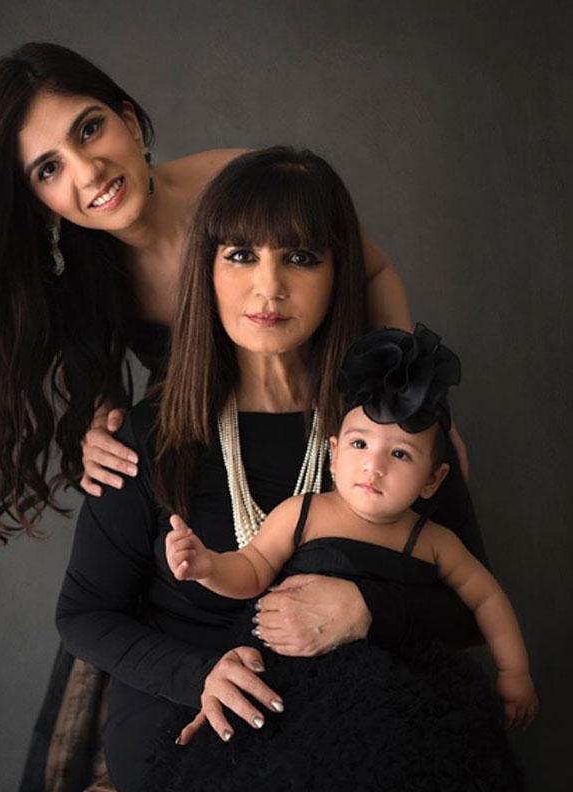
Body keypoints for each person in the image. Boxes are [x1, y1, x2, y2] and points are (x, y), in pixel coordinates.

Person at [0, 44, 417, 790]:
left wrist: (405, 398)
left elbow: (374, 268)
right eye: (48, 169)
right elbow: (99, 384)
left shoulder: (239, 188)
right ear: (35, 199)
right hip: (203, 446)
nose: (87, 172)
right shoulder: (81, 278)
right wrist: (98, 429)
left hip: (319, 419)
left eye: (90, 129)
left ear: (131, 122)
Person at [56, 147, 489, 791]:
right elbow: (84, 614)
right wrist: (199, 675)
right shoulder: (149, 437)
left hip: (357, 715)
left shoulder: (393, 429)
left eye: (301, 257)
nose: (269, 287)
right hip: (192, 710)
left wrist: (367, 609)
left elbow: (471, 608)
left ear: (339, 273)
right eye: (240, 256)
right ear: (207, 271)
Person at [162, 324, 537, 789]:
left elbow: (486, 599)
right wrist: (207, 567)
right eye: (360, 444)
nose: (373, 466)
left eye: (400, 455)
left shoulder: (431, 540)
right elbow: (252, 570)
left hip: (399, 683)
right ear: (334, 452)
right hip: (296, 676)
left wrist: (514, 671)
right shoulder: (303, 512)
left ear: (433, 480)